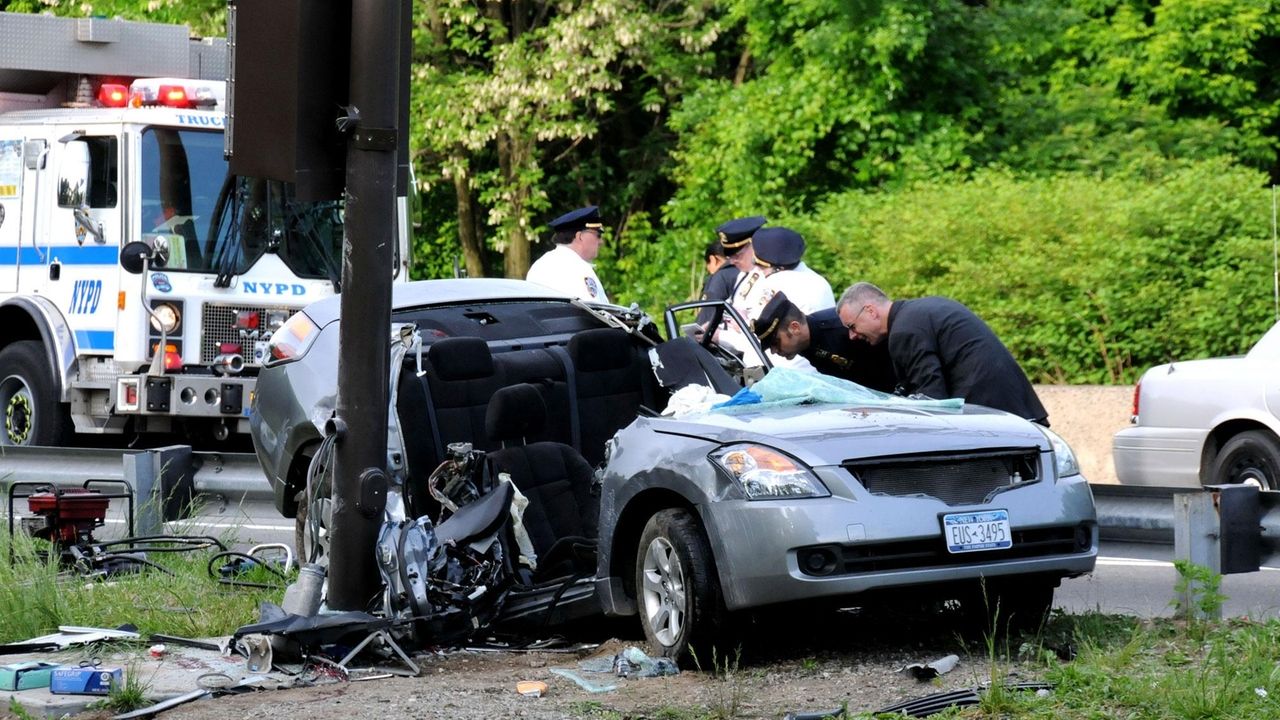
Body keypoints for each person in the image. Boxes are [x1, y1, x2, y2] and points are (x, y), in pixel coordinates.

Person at [837, 282, 1049, 425]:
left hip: (998, 418)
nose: (852, 336)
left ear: (871, 311)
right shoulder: (920, 311)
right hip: (1015, 408)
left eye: (852, 326)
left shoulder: (904, 330)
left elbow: (931, 401)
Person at [752, 292, 896, 391]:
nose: (774, 351)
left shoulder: (842, 327)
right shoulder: (803, 345)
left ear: (795, 328)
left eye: (776, 342)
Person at [742, 226, 834, 319]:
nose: (758, 270)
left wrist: (742, 319)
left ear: (779, 269)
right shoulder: (818, 280)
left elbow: (757, 324)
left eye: (761, 267)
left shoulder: (776, 282)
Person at [526, 205, 609, 302]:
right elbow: (594, 313)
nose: (601, 242)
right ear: (580, 236)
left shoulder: (539, 265)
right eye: (598, 235)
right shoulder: (579, 269)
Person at [696, 215, 764, 327]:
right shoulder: (743, 275)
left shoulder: (770, 276)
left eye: (738, 255)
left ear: (754, 246)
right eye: (730, 256)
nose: (732, 262)